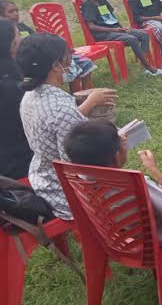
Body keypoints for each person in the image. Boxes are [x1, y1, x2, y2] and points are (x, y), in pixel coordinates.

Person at [16, 33, 116, 219]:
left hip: (43, 178)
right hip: (66, 193)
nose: (71, 63)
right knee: (140, 190)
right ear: (55, 65)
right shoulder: (59, 108)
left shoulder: (30, 96)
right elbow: (79, 168)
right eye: (67, 58)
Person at [63, 119, 162, 247]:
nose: (124, 142)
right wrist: (154, 169)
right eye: (121, 143)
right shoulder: (135, 184)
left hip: (124, 234)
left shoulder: (79, 178)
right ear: (116, 155)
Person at [0, 0, 96, 91]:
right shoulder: (5, 32)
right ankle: (75, 95)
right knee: (70, 64)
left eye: (16, 10)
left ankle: (84, 93)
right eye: (11, 11)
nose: (16, 14)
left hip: (44, 54)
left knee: (83, 61)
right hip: (35, 60)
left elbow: (39, 40)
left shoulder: (22, 26)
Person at [80, 0, 162, 76]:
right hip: (103, 34)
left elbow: (112, 17)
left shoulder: (102, 1)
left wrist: (123, 26)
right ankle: (149, 67)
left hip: (116, 30)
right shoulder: (88, 5)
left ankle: (143, 63)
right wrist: (114, 29)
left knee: (144, 35)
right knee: (132, 39)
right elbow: (92, 26)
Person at [0, 18, 32, 180]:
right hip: (21, 167)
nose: (21, 37)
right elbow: (46, 124)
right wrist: (89, 104)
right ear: (11, 44)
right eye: (18, 34)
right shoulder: (12, 89)